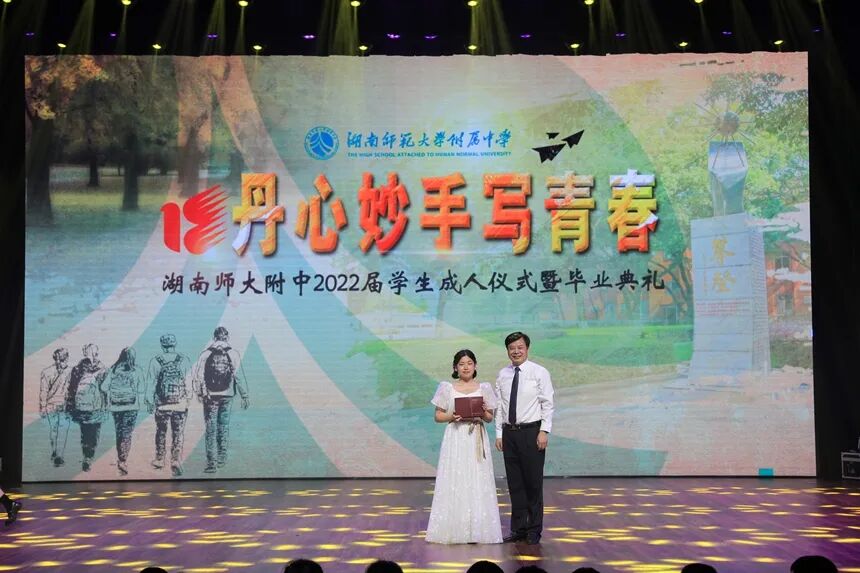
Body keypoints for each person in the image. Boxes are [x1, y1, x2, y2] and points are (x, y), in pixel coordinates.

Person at [426, 349, 502, 544]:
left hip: (476, 435)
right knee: (455, 478)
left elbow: (490, 418)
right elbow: (437, 416)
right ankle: (455, 529)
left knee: (477, 477)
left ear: (475, 366)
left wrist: (483, 413)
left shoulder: (484, 388)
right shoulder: (447, 388)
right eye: (461, 364)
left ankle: (478, 529)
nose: (466, 367)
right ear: (455, 368)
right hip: (456, 436)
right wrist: (451, 416)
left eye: (469, 363)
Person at [494, 332, 554, 545]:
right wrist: (499, 433)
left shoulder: (539, 372)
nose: (516, 351)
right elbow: (500, 406)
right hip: (509, 434)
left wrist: (544, 431)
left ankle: (534, 530)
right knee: (515, 484)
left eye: (520, 347)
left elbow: (547, 403)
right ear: (507, 351)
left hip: (532, 432)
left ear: (527, 348)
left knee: (533, 483)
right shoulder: (503, 374)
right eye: (512, 348)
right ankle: (518, 529)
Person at [192, 326, 250, 474]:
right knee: (223, 427)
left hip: (210, 396)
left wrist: (200, 393)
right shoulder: (233, 353)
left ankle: (211, 463)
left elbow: (198, 376)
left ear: (214, 337)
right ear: (227, 337)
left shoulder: (205, 354)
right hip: (227, 395)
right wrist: (244, 395)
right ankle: (222, 458)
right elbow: (239, 376)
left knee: (210, 429)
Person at [146, 334, 193, 477]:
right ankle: (175, 460)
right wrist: (188, 399)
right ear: (175, 344)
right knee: (178, 433)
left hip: (162, 405)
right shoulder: (184, 360)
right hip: (180, 404)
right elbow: (189, 382)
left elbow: (151, 383)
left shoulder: (155, 361)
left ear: (162, 345)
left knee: (161, 431)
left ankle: (160, 459)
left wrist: (149, 401)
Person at [101, 347, 145, 476]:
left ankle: (120, 458)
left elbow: (103, 387)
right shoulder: (137, 370)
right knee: (127, 434)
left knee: (119, 433)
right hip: (131, 407)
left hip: (116, 407)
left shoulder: (113, 370)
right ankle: (123, 460)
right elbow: (141, 389)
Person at [65, 343, 108, 472]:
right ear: (96, 354)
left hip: (82, 407)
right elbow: (105, 390)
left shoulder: (77, 369)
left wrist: (69, 406)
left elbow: (71, 389)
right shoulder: (103, 369)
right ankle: (89, 456)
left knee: (85, 433)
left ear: (84, 353)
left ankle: (86, 456)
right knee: (94, 433)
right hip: (97, 406)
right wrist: (106, 406)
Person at [39, 347, 71, 467]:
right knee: (62, 430)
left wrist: (42, 407)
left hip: (51, 405)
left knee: (54, 430)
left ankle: (55, 452)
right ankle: (59, 456)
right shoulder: (71, 371)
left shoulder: (46, 372)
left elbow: (43, 391)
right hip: (63, 405)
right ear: (67, 358)